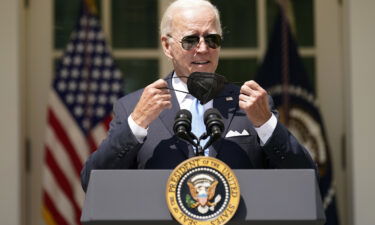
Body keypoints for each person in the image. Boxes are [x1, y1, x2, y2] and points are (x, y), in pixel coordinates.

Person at [81, 0, 316, 191]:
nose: (203, 48)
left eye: (212, 39)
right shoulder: (133, 106)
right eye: (190, 40)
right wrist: (136, 124)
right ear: (166, 45)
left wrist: (266, 125)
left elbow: (305, 176)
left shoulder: (250, 104)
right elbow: (91, 181)